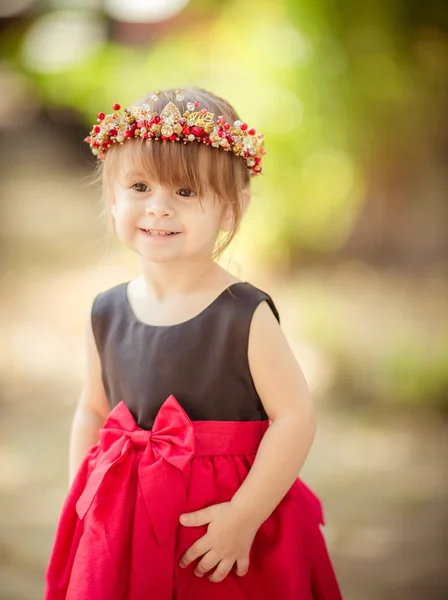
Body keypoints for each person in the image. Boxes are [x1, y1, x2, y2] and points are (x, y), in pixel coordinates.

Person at [44, 87, 343, 600]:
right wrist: (84, 498)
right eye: (139, 186)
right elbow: (92, 411)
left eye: (185, 193)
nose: (159, 209)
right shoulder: (106, 310)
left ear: (232, 207)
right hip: (124, 519)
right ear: (111, 197)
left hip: (218, 521)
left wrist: (244, 516)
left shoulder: (243, 314)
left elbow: (296, 418)